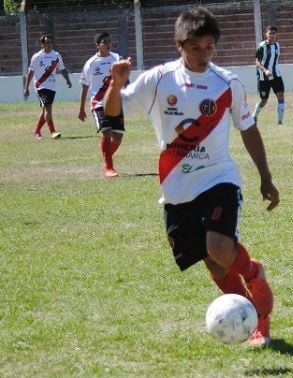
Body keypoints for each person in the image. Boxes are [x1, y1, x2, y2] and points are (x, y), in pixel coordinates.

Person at [103, 7, 280, 347]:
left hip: (218, 179)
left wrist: (265, 177)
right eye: (196, 47)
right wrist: (116, 82)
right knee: (214, 265)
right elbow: (114, 111)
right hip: (176, 188)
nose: (204, 55)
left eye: (210, 47)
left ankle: (256, 289)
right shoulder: (159, 79)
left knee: (221, 248)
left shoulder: (226, 83)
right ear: (179, 45)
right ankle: (246, 317)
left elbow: (248, 128)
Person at [78, 32, 124, 178]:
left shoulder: (117, 58)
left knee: (118, 137)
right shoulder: (91, 63)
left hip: (115, 101)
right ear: (98, 45)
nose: (108, 44)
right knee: (107, 132)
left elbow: (123, 76)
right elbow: (85, 85)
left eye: (110, 41)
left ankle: (106, 158)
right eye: (105, 42)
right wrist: (81, 108)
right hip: (98, 103)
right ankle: (109, 167)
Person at [23, 34, 72, 140]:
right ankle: (53, 132)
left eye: (50, 42)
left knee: (45, 111)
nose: (48, 44)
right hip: (40, 86)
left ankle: (37, 131)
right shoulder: (37, 57)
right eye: (46, 43)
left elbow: (62, 69)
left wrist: (67, 80)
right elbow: (31, 72)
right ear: (42, 44)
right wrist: (26, 87)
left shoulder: (56, 56)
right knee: (48, 110)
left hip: (52, 86)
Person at [254, 25, 285, 125]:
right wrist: (265, 70)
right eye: (270, 33)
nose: (271, 35)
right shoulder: (262, 46)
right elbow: (257, 62)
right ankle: (254, 116)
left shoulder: (277, 46)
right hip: (264, 78)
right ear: (266, 34)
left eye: (273, 33)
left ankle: (280, 122)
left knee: (281, 96)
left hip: (276, 76)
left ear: (276, 35)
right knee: (264, 100)